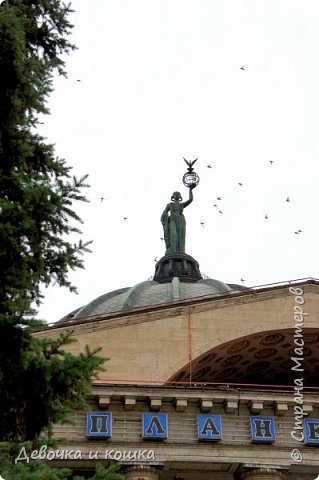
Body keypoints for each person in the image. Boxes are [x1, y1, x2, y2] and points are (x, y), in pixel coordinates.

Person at [161, 186, 194, 254]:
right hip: (172, 219)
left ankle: (180, 251)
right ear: (172, 197)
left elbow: (190, 199)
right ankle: (172, 250)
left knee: (181, 236)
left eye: (178, 194)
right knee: (173, 234)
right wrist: (164, 218)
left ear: (180, 196)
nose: (176, 195)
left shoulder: (181, 205)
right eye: (175, 194)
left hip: (180, 220)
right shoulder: (170, 205)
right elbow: (165, 213)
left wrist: (190, 190)